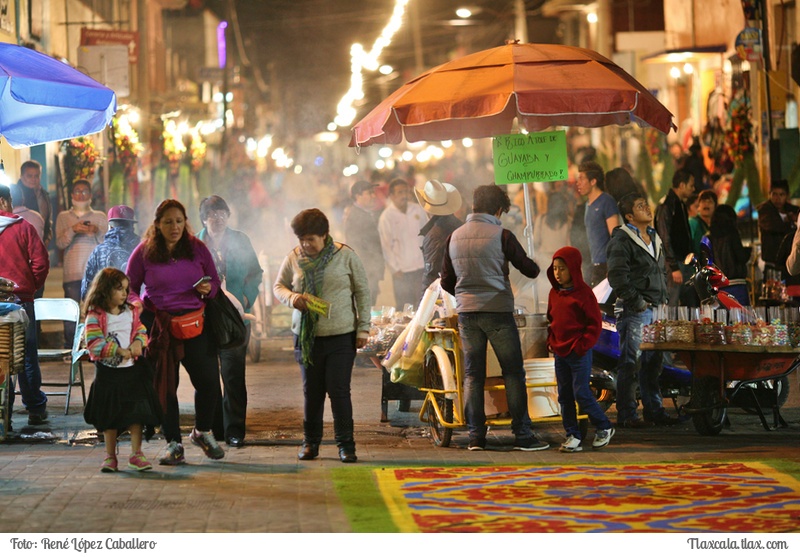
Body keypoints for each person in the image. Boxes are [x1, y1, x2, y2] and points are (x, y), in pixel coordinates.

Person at [440, 185, 549, 452]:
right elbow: (530, 270)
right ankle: (522, 435)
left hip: (467, 314)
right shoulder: (502, 235)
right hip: (498, 311)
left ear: (474, 205)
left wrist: (466, 294)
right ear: (498, 209)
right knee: (512, 372)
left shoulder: (453, 237)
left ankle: (476, 437)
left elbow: (446, 281)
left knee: (473, 375)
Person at [127, 199, 225, 465]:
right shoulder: (144, 251)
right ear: (157, 224)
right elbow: (130, 285)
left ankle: (202, 431)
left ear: (186, 223)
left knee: (208, 382)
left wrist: (209, 289)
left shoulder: (197, 248)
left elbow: (214, 281)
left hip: (195, 325)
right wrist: (135, 301)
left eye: (179, 221)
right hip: (160, 328)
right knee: (166, 387)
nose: (174, 227)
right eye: (168, 221)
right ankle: (173, 443)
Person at [273, 208, 371, 463]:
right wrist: (293, 297)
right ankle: (310, 443)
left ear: (325, 235)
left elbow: (362, 292)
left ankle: (346, 445)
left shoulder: (345, 255)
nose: (306, 245)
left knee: (339, 391)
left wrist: (364, 328)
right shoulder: (294, 257)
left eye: (311, 239)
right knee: (312, 392)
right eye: (302, 239)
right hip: (307, 338)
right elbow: (278, 286)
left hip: (341, 336)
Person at [607, 193, 679, 428]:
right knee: (631, 362)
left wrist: (664, 299)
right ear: (629, 216)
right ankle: (627, 413)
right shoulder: (622, 239)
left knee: (653, 363)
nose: (647, 209)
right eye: (640, 206)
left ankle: (654, 410)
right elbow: (617, 277)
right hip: (636, 311)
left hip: (657, 310)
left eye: (646, 204)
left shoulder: (654, 236)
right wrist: (638, 302)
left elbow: (661, 272)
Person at [197, 195, 263, 448]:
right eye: (212, 214)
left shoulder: (240, 240)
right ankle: (214, 429)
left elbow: (255, 273)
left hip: (236, 318)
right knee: (208, 377)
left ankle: (234, 429)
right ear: (203, 218)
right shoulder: (194, 243)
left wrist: (246, 298)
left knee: (233, 375)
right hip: (203, 318)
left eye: (222, 213)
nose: (218, 218)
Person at [82, 267, 162, 473]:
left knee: (136, 414)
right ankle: (110, 456)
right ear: (105, 290)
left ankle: (136, 454)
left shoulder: (131, 312)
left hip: (131, 372)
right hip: (108, 375)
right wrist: (117, 350)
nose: (125, 294)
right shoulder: (95, 314)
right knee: (111, 417)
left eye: (126, 289)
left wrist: (138, 343)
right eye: (119, 289)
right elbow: (93, 342)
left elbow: (141, 331)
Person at [546, 246, 614, 452]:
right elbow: (551, 318)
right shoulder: (553, 293)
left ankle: (604, 426)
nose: (558, 273)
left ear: (574, 268)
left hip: (579, 353)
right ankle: (572, 435)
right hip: (560, 352)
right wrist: (552, 341)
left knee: (581, 392)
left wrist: (582, 345)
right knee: (564, 396)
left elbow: (594, 324)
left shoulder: (584, 294)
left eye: (562, 269)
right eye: (555, 268)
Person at [0, 184, 49, 426]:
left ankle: (3, 413)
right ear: (5, 201)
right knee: (26, 354)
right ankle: (35, 408)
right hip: (21, 301)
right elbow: (41, 262)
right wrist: (30, 286)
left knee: (1, 356)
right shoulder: (23, 227)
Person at [55, 179, 108, 346]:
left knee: (94, 310)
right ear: (72, 195)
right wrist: (73, 229)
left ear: (90, 195)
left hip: (94, 273)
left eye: (84, 191)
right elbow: (60, 243)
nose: (81, 194)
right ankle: (70, 346)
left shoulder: (99, 217)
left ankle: (94, 345)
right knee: (72, 312)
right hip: (72, 272)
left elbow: (106, 244)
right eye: (77, 191)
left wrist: (96, 232)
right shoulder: (63, 217)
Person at [377, 177, 427, 309]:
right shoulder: (386, 217)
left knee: (423, 305)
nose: (404, 195)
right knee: (405, 307)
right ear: (392, 196)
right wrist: (395, 268)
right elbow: (386, 246)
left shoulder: (418, 210)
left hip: (421, 267)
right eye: (400, 192)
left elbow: (427, 234)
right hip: (402, 271)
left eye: (406, 191)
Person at [81, 205, 141, 300]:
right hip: (137, 307)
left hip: (108, 308)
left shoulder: (99, 251)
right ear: (132, 226)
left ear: (110, 226)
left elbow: (87, 289)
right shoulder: (143, 248)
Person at [415, 179, 463, 294]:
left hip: (445, 294)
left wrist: (424, 306)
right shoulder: (461, 226)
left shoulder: (434, 235)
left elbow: (430, 275)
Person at [655, 169, 695, 306]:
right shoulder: (667, 205)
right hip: (674, 263)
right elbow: (664, 237)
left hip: (684, 262)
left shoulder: (680, 204)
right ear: (682, 185)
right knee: (671, 304)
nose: (693, 189)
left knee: (689, 303)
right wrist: (673, 266)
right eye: (691, 185)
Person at [577, 161, 619, 287]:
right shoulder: (587, 205)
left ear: (593, 181)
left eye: (581, 178)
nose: (577, 183)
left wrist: (614, 265)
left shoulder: (606, 201)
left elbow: (616, 236)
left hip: (606, 265)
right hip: (594, 264)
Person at [343, 180, 385, 305]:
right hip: (365, 272)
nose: (373, 196)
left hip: (370, 272)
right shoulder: (356, 216)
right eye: (369, 193)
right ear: (358, 196)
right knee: (365, 309)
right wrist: (369, 274)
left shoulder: (365, 213)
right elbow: (357, 247)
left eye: (373, 193)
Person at [533, 190, 571, 310]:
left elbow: (535, 242)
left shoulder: (541, 219)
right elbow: (569, 245)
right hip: (562, 266)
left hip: (544, 266)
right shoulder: (568, 221)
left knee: (546, 300)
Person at [708, 204, 752, 306]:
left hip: (718, 286)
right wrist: (748, 251)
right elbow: (741, 257)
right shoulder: (732, 234)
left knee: (722, 318)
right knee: (740, 318)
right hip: (736, 284)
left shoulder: (709, 238)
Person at [758, 180, 799, 278]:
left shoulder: (794, 210)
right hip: (772, 261)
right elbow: (774, 226)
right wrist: (792, 223)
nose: (778, 198)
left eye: (781, 194)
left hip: (791, 261)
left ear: (787, 196)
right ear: (770, 194)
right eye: (774, 194)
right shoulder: (765, 210)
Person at [11, 160, 52, 248]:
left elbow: (47, 219)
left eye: (36, 176)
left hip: (41, 240)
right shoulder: (15, 194)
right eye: (29, 176)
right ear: (22, 176)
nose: (33, 179)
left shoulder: (43, 194)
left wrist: (47, 236)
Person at [689, 190, 717, 255]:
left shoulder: (716, 226)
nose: (706, 204)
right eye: (703, 201)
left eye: (710, 202)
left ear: (715, 206)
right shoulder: (692, 222)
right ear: (699, 206)